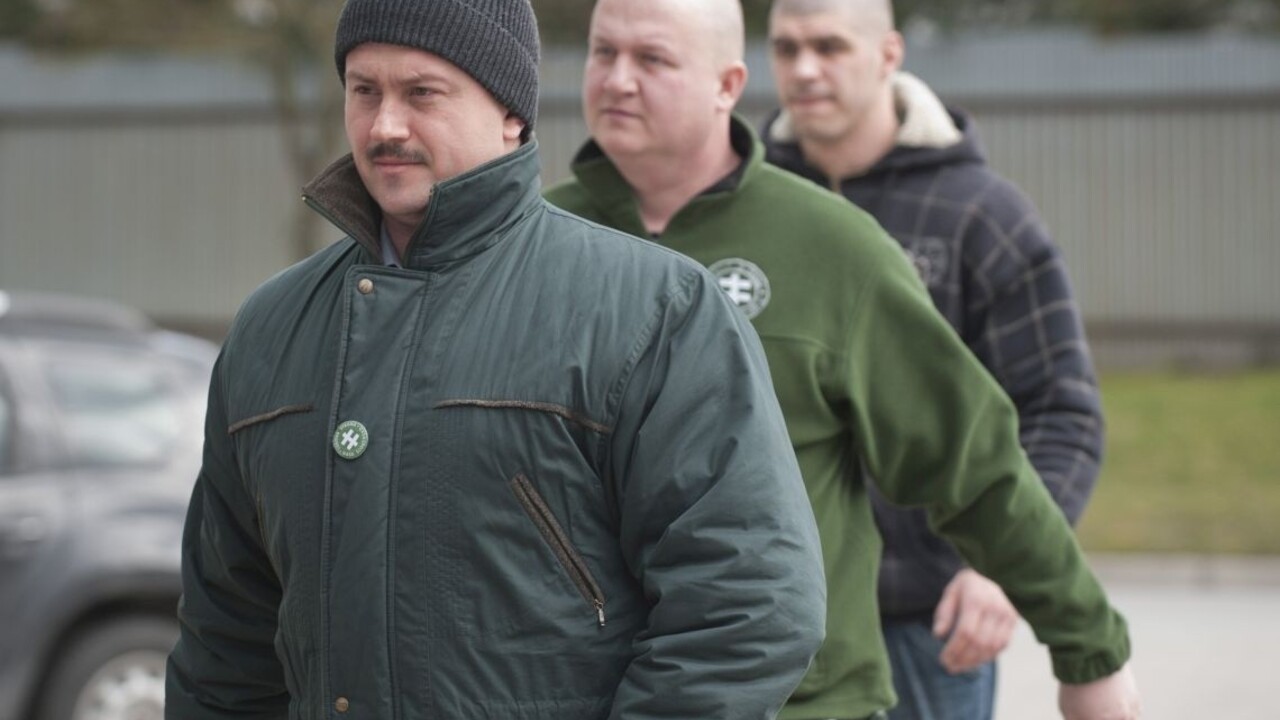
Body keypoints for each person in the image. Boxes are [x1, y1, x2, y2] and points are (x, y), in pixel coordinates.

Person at [163, 0, 829, 717]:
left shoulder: (653, 311)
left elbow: (746, 606)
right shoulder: (271, 328)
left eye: (422, 93)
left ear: (511, 111)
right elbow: (223, 643)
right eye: (365, 91)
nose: (386, 126)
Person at [544, 0, 1140, 719]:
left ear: (727, 84)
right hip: (578, 692)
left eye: (652, 59)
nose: (617, 79)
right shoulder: (535, 244)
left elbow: (971, 462)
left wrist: (1088, 648)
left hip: (802, 698)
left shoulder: (836, 247)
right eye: (603, 53)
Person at [761, 1, 1106, 717]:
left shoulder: (982, 217)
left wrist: (999, 569)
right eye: (786, 48)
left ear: (889, 54)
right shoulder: (749, 211)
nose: (804, 69)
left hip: (924, 625)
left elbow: (1061, 412)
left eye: (829, 46)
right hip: (770, 617)